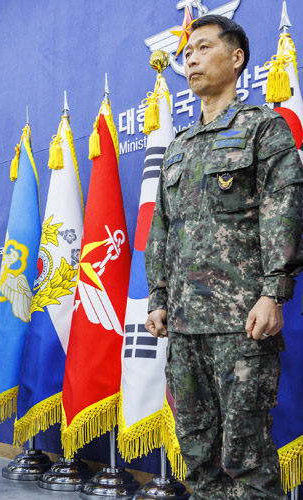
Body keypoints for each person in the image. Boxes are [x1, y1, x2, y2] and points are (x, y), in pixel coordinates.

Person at [145, 15, 303, 499]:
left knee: (246, 456)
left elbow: (286, 210)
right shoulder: (178, 147)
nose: (190, 58)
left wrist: (273, 291)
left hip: (242, 324)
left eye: (204, 47)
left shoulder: (263, 129)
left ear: (236, 59)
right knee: (197, 455)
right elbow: (162, 228)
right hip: (185, 327)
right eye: (187, 51)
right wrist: (158, 296)